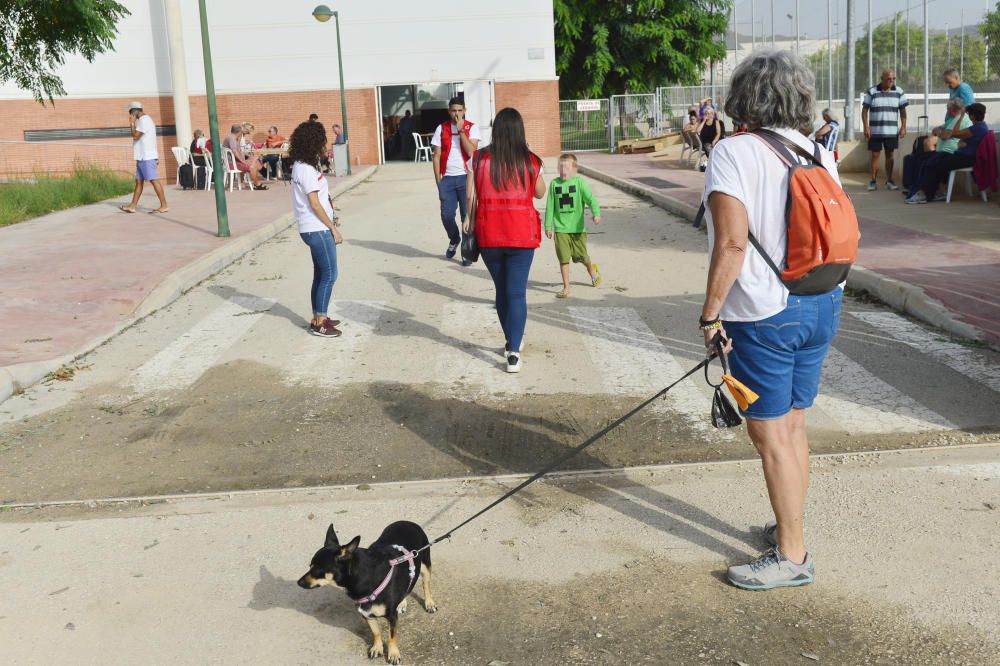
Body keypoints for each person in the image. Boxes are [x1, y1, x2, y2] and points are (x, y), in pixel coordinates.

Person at [700, 49, 845, 590]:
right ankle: (789, 528)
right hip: (821, 302)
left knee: (771, 437)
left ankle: (792, 555)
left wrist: (710, 315)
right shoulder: (815, 150)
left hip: (763, 313)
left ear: (745, 96)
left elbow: (732, 244)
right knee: (794, 425)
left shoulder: (732, 152)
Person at [463, 107, 545, 373]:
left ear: (495, 130)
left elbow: (470, 197)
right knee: (517, 293)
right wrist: (533, 157)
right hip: (521, 235)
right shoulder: (530, 161)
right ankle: (514, 351)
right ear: (520, 131)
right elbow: (540, 193)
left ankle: (510, 340)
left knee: (501, 291)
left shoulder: (478, 159)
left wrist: (468, 219)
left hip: (490, 235)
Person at [289, 120, 344, 337]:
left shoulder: (303, 166)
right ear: (314, 142)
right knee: (330, 274)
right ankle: (320, 322)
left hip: (313, 227)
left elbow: (320, 198)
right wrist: (333, 228)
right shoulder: (306, 169)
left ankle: (318, 316)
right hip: (317, 228)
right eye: (323, 141)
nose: (325, 144)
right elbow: (313, 203)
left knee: (320, 274)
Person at [544, 153, 602, 299]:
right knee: (563, 258)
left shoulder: (579, 183)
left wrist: (596, 213)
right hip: (561, 229)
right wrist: (548, 226)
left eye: (567, 167)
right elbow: (550, 206)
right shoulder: (554, 184)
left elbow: (591, 199)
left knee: (581, 256)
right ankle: (566, 287)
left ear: (575, 169)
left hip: (577, 229)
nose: (564, 170)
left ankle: (592, 270)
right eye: (561, 166)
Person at [906, 102, 988, 204]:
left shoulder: (976, 128)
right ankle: (933, 192)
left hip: (966, 158)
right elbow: (961, 139)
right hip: (964, 156)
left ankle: (924, 194)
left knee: (933, 164)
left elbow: (954, 132)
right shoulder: (982, 127)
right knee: (934, 160)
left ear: (971, 115)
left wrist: (961, 116)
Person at [433, 96, 482, 264]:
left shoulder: (472, 128)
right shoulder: (441, 128)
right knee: (446, 215)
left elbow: (472, 153)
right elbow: (436, 156)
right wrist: (438, 181)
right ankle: (454, 239)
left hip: (466, 176)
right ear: (449, 111)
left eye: (460, 110)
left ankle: (466, 253)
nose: (456, 114)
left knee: (466, 215)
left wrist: (461, 130)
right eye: (453, 110)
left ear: (464, 110)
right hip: (447, 178)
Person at [902, 98, 970, 196]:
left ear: (952, 109)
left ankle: (923, 190)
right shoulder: (953, 119)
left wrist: (941, 132)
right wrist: (941, 132)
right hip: (942, 152)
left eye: (947, 109)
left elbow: (945, 135)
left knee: (924, 160)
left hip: (949, 153)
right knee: (918, 157)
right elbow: (936, 130)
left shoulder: (960, 119)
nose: (947, 111)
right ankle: (916, 188)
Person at [862, 68, 908, 191]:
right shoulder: (872, 91)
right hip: (875, 131)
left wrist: (903, 127)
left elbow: (903, 112)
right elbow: (864, 110)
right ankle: (872, 181)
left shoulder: (899, 91)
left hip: (892, 131)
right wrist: (866, 127)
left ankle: (890, 180)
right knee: (875, 155)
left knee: (890, 155)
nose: (891, 81)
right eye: (888, 79)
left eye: (893, 78)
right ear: (881, 79)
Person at [120, 101, 168, 214]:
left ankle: (164, 205)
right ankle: (132, 206)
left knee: (153, 180)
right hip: (142, 156)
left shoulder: (144, 121)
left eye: (130, 112)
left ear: (134, 111)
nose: (130, 115)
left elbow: (135, 136)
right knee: (139, 181)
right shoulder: (144, 120)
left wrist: (132, 123)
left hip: (147, 157)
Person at [223, 124, 266, 190]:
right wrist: (243, 161)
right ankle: (257, 184)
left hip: (231, 162)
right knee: (252, 165)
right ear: (239, 131)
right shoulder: (232, 138)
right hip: (232, 164)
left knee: (253, 161)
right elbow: (235, 151)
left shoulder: (232, 137)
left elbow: (238, 151)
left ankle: (256, 183)